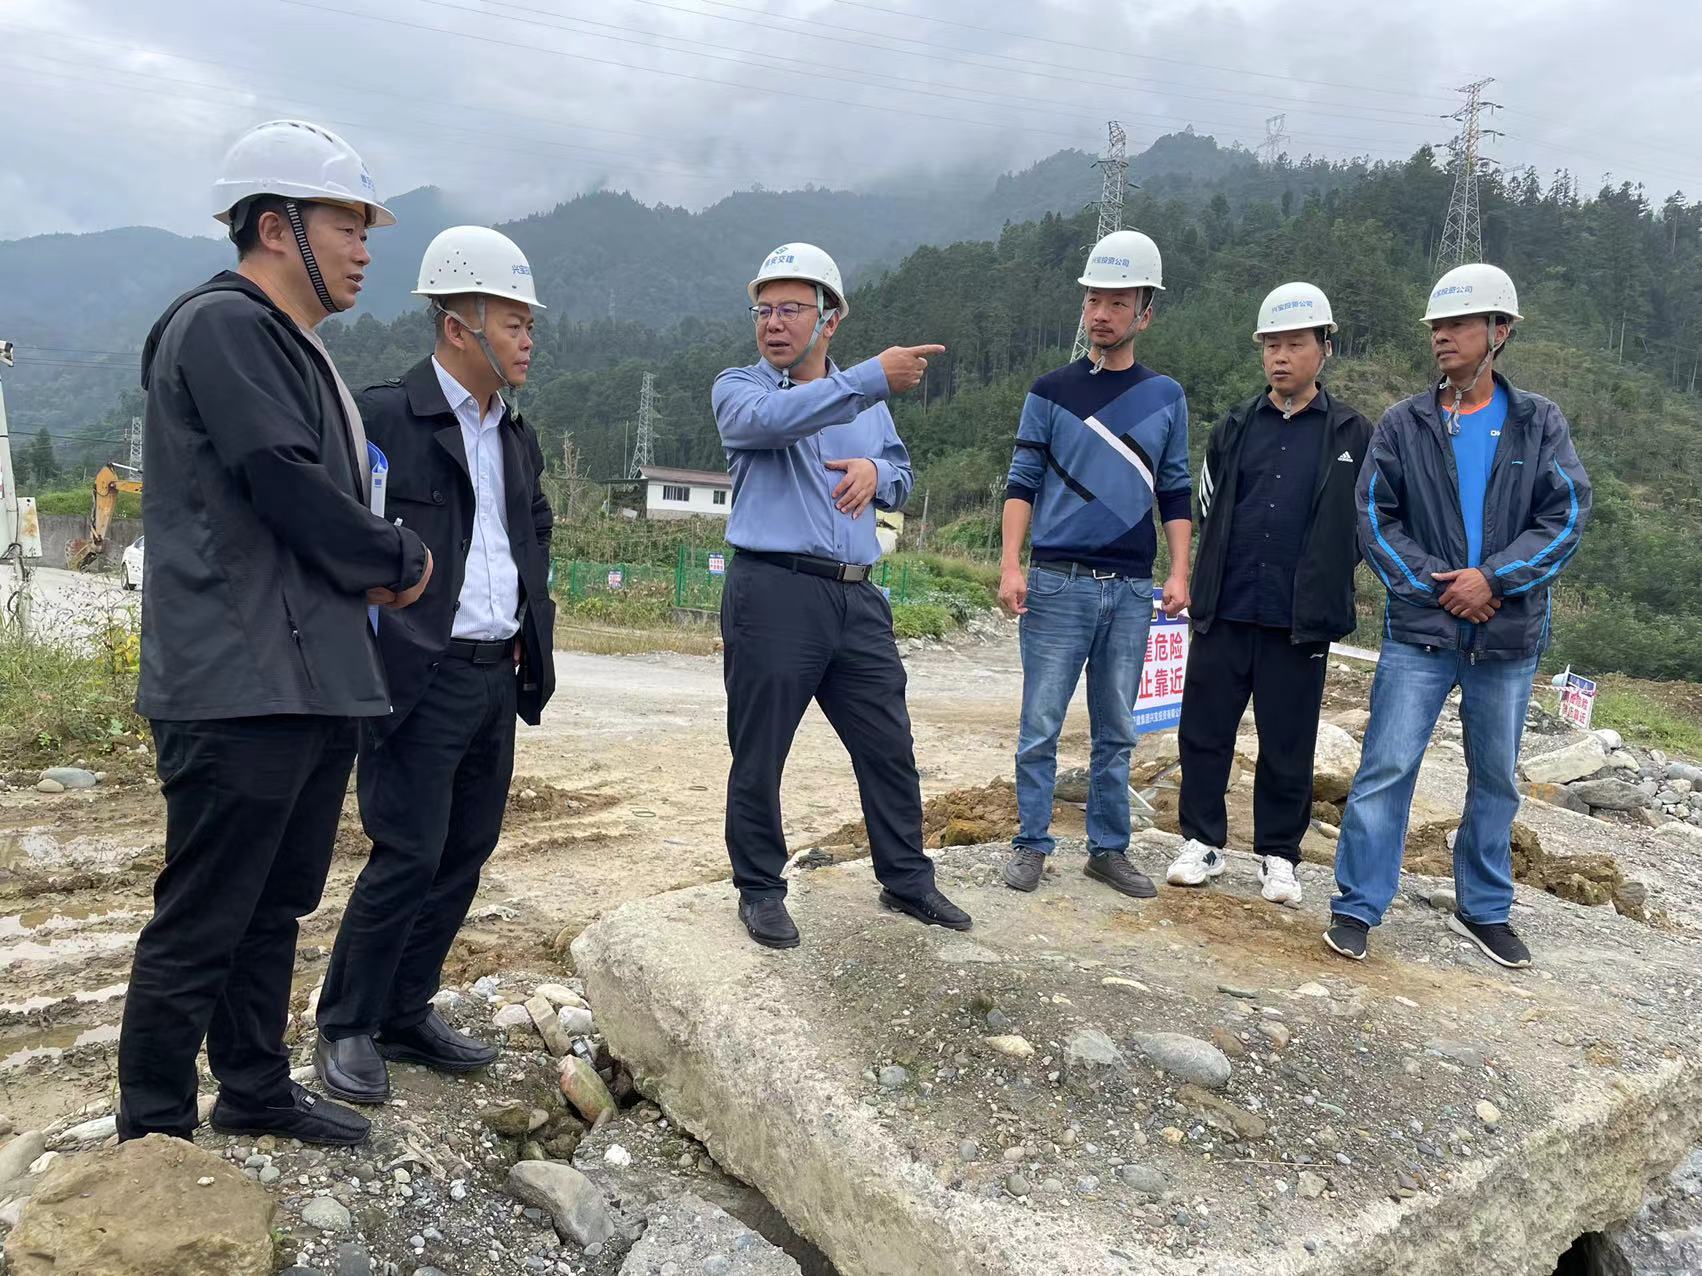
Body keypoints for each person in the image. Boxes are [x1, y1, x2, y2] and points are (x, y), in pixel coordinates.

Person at [119, 120, 432, 1145]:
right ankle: (152, 1137)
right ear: (272, 225)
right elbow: (282, 482)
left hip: (308, 677)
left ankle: (252, 1089)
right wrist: (397, 557)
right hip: (238, 679)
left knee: (273, 905)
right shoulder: (223, 326)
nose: (364, 249)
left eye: (365, 229)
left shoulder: (297, 348)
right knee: (205, 914)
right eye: (347, 224)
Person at [313, 227, 556, 1103]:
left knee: (464, 851)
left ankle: (405, 1009)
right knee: (407, 852)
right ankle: (346, 1023)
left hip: (494, 672)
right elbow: (332, 528)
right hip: (418, 674)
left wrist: (530, 622)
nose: (528, 340)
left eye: (530, 325)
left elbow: (532, 528)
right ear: (459, 325)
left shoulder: (514, 434)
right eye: (515, 323)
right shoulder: (383, 418)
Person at [1325, 264, 1591, 968]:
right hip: (1422, 630)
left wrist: (1492, 579)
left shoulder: (1538, 422)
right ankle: (1357, 906)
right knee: (1386, 766)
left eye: (1459, 324)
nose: (1442, 336)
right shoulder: (1404, 424)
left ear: (1499, 332)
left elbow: (1565, 516)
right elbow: (1374, 516)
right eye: (1437, 326)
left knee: (1496, 777)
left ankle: (1485, 909)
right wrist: (1441, 588)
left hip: (1505, 634)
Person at [713, 242, 972, 948]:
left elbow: (902, 475)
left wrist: (876, 475)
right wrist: (871, 379)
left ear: (830, 320)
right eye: (764, 310)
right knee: (760, 751)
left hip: (857, 595)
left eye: (791, 309)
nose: (773, 323)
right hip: (774, 591)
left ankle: (907, 878)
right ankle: (760, 888)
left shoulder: (868, 407)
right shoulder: (742, 388)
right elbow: (768, 424)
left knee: (889, 746)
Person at [998, 230, 1191, 899]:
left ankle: (1108, 850)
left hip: (1133, 590)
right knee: (1040, 726)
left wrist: (1179, 571)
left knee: (1117, 732)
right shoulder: (1050, 391)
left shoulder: (1166, 396)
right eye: (1093, 300)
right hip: (1057, 583)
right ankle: (1031, 843)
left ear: (1145, 313)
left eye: (1117, 303)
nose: (1101, 314)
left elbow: (1174, 489)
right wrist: (1010, 564)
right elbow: (1021, 481)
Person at [1165, 284, 1373, 906]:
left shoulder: (1351, 433)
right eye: (1271, 345)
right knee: (1205, 731)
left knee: (1289, 740)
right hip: (1226, 607)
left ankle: (1279, 856)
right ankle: (1201, 841)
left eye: (1294, 344)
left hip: (1298, 619)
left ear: (1325, 348)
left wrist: (1328, 570)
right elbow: (1206, 507)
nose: (1280, 357)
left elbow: (1366, 520)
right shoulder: (1234, 426)